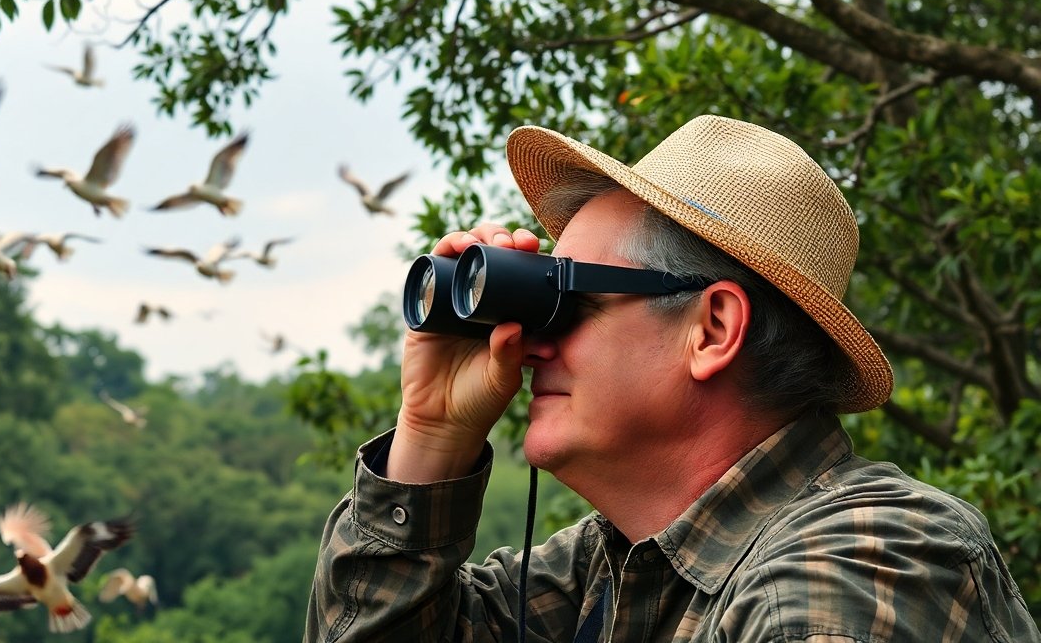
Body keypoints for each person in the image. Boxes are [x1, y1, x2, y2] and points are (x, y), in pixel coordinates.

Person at [304, 115, 1040, 642]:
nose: (525, 347)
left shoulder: (866, 564)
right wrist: (431, 434)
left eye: (572, 300)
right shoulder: (612, 570)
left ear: (712, 329)